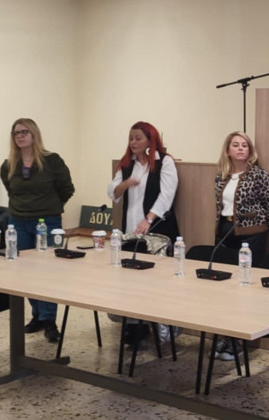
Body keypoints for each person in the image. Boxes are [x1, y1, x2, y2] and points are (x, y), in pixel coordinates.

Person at [0, 118, 74, 343]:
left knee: (48, 271)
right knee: (26, 271)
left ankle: (49, 319)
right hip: (18, 222)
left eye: (24, 132)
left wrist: (49, 207)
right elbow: (11, 190)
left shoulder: (52, 161)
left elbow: (66, 189)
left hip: (48, 221)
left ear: (34, 134)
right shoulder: (8, 165)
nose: (20, 136)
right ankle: (37, 316)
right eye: (16, 133)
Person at [107, 121, 180, 344]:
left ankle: (163, 324)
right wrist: (125, 183)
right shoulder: (126, 164)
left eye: (138, 138)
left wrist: (149, 219)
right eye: (131, 138)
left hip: (158, 228)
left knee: (157, 280)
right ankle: (135, 326)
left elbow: (167, 195)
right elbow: (113, 192)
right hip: (131, 228)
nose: (133, 142)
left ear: (150, 140)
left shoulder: (164, 162)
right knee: (131, 278)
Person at [213, 131, 269, 361]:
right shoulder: (221, 176)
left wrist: (260, 227)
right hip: (225, 232)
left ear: (250, 151)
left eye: (245, 145)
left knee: (245, 288)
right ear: (228, 150)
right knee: (226, 287)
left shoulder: (259, 175)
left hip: (252, 236)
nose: (240, 148)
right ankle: (227, 335)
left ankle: (239, 341)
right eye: (236, 145)